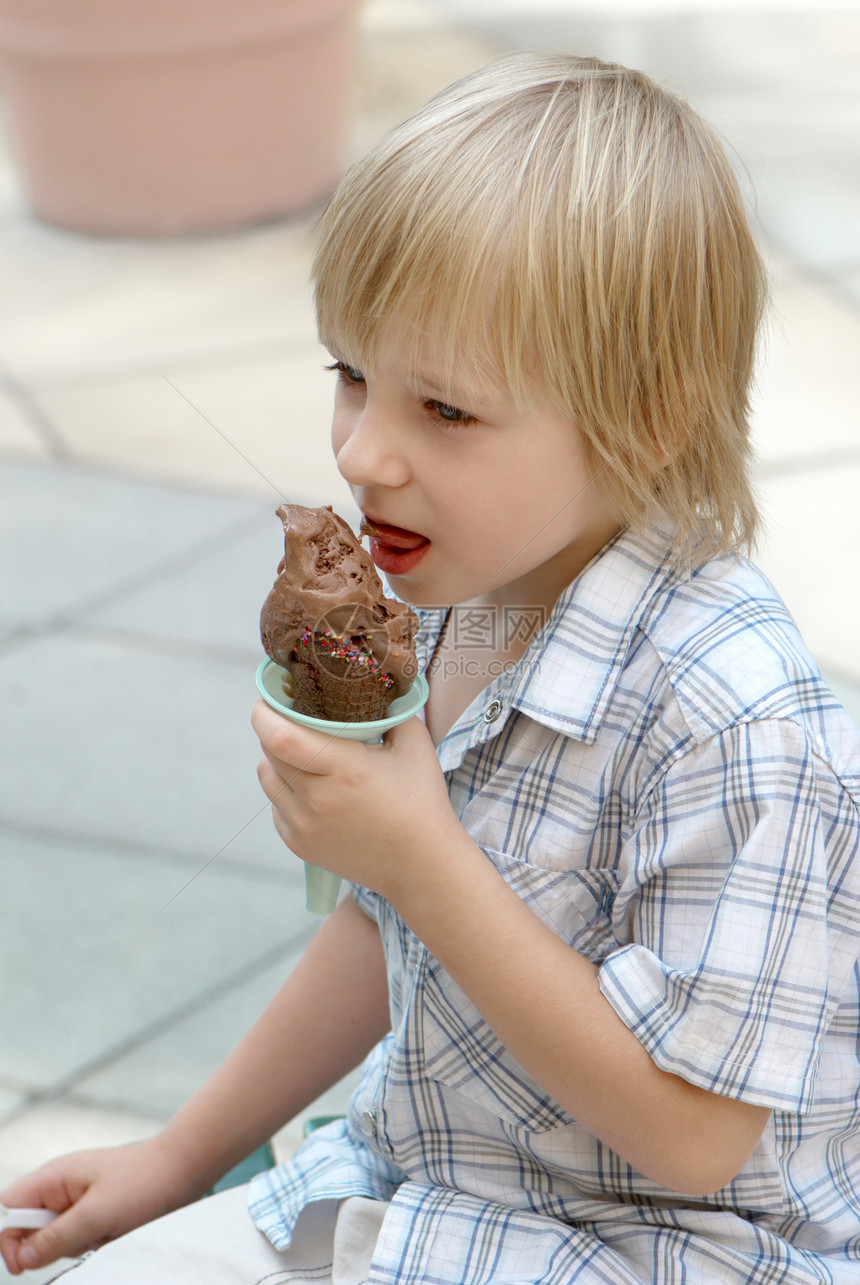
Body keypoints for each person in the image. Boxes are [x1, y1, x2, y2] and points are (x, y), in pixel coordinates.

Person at [2, 50, 859, 1285]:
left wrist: (417, 852)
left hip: (657, 1252)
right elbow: (384, 924)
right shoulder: (459, 597)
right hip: (428, 1192)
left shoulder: (731, 714)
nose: (365, 455)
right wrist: (183, 1153)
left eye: (444, 413)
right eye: (350, 375)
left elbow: (694, 1137)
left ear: (651, 414)